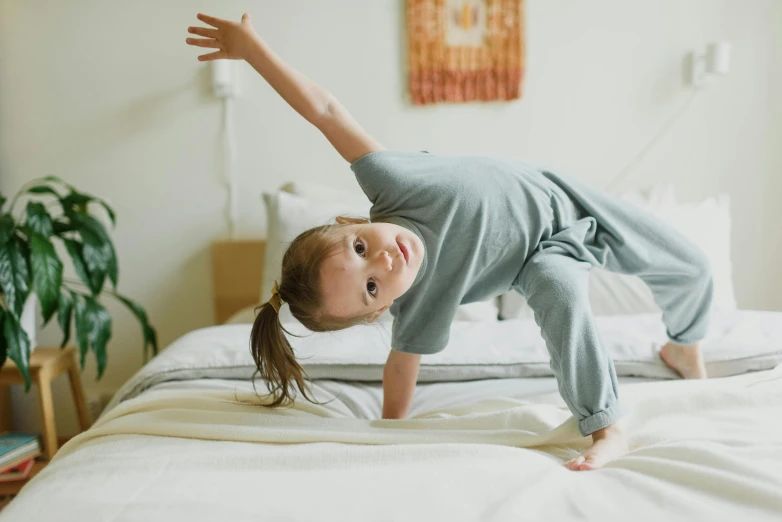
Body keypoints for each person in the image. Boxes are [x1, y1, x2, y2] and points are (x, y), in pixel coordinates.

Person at [186, 13, 712, 471]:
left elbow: (325, 112)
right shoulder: (419, 304)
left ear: (350, 222)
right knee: (558, 289)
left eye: (361, 249)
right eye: (372, 287)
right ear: (381, 310)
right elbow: (401, 367)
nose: (387, 261)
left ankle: (682, 346)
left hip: (566, 199)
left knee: (692, 267)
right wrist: (391, 429)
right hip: (544, 259)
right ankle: (606, 427)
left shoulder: (393, 183)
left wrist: (253, 52)